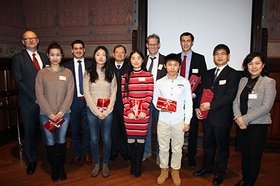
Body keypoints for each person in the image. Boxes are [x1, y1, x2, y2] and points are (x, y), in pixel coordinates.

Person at [193, 44, 240, 185]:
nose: (219, 56)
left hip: (222, 117)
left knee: (222, 147)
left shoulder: (234, 74)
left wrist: (211, 105)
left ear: (228, 56)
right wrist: (197, 108)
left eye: (223, 54)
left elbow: (230, 96)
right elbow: (200, 92)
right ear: (213, 57)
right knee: (208, 144)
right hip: (207, 117)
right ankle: (207, 168)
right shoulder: (208, 73)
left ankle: (219, 174)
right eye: (217, 54)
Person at [233, 52, 276, 186]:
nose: (253, 66)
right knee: (245, 155)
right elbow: (236, 101)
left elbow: (266, 107)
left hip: (258, 125)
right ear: (246, 66)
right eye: (250, 63)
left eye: (257, 63)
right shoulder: (243, 80)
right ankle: (245, 179)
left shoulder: (268, 82)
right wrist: (238, 117)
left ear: (263, 65)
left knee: (254, 156)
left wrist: (244, 119)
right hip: (241, 124)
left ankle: (249, 183)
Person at [12, 30, 49, 175]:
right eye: (27, 39)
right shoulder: (17, 58)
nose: (31, 40)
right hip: (28, 102)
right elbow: (19, 81)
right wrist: (35, 97)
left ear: (38, 40)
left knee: (48, 131)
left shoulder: (45, 57)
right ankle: (32, 161)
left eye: (33, 38)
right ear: (23, 42)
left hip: (46, 103)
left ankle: (49, 159)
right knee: (29, 132)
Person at [35, 42, 74, 181]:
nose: (55, 57)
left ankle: (61, 167)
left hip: (65, 114)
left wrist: (62, 111)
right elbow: (39, 94)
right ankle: (54, 168)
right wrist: (50, 113)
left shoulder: (68, 73)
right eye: (52, 55)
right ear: (48, 56)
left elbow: (70, 94)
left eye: (58, 54)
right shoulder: (42, 73)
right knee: (50, 142)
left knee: (61, 140)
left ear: (62, 56)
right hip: (46, 115)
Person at [154, 53, 192, 186]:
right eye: (169, 64)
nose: (172, 67)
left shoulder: (184, 82)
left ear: (179, 66)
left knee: (177, 148)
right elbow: (155, 100)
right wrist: (160, 108)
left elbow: (189, 103)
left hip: (178, 121)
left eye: (175, 65)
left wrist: (187, 121)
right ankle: (164, 170)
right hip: (163, 120)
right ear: (165, 66)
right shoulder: (159, 83)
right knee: (163, 148)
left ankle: (175, 170)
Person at [83, 46, 117, 178]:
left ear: (107, 57)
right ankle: (97, 163)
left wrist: (107, 110)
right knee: (94, 138)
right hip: (92, 111)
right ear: (94, 56)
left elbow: (114, 91)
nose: (101, 57)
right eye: (98, 54)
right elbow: (87, 94)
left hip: (108, 111)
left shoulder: (111, 73)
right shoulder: (88, 73)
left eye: (103, 54)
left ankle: (106, 163)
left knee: (107, 139)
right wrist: (97, 111)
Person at [121, 49, 154, 177]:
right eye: (133, 58)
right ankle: (133, 164)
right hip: (128, 113)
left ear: (142, 60)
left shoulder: (149, 76)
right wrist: (128, 111)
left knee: (140, 140)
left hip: (143, 114)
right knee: (130, 139)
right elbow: (124, 96)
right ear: (130, 60)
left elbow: (149, 95)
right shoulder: (125, 76)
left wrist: (144, 111)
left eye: (138, 58)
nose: (136, 60)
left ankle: (138, 166)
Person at [177, 32, 207, 167]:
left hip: (193, 99)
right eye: (183, 41)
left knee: (193, 128)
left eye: (188, 41)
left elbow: (204, 81)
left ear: (192, 42)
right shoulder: (175, 58)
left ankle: (191, 155)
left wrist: (195, 96)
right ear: (180, 42)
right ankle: (176, 153)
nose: (185, 43)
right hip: (176, 100)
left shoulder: (200, 59)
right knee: (177, 127)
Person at [63, 40, 92, 166]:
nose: (78, 50)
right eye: (76, 48)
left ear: (84, 49)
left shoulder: (91, 64)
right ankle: (76, 153)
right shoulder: (66, 66)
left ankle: (86, 153)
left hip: (87, 102)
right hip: (73, 101)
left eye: (81, 48)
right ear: (72, 50)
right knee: (74, 129)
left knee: (87, 129)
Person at [143, 34, 167, 163]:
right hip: (146, 100)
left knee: (161, 128)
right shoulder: (142, 61)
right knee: (146, 127)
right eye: (150, 44)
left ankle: (160, 154)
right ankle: (147, 151)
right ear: (147, 45)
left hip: (160, 100)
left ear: (159, 45)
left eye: (155, 44)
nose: (152, 46)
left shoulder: (165, 61)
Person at [110, 44, 130, 161]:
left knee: (124, 128)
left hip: (125, 103)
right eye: (117, 52)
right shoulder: (108, 67)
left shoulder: (129, 67)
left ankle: (125, 152)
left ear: (125, 55)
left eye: (122, 52)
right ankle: (113, 151)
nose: (119, 54)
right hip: (111, 103)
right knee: (113, 128)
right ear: (113, 54)